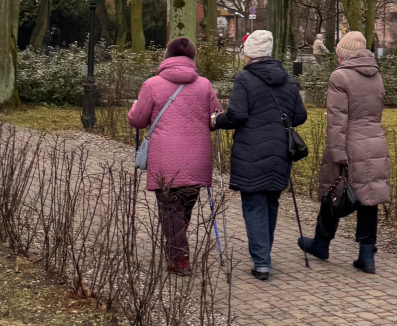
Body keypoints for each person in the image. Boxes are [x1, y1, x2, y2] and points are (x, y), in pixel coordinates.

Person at [213, 30, 307, 281]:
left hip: (251, 151)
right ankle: (264, 254)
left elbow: (236, 116)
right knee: (270, 202)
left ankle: (262, 261)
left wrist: (216, 121)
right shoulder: (286, 79)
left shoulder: (244, 78)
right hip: (279, 151)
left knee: (254, 205)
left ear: (248, 54)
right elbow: (300, 116)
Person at [297, 31, 391, 274]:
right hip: (375, 141)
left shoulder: (339, 77)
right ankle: (367, 255)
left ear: (344, 54)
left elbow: (338, 121)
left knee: (334, 190)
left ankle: (321, 243)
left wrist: (337, 152)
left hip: (350, 141)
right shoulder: (377, 75)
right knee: (370, 197)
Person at [128, 37, 221, 276]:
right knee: (184, 206)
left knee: (171, 209)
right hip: (197, 157)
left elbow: (137, 120)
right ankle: (176, 247)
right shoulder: (205, 85)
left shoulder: (151, 84)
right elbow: (215, 120)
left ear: (166, 57)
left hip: (166, 160)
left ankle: (179, 258)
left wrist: (135, 106)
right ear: (192, 58)